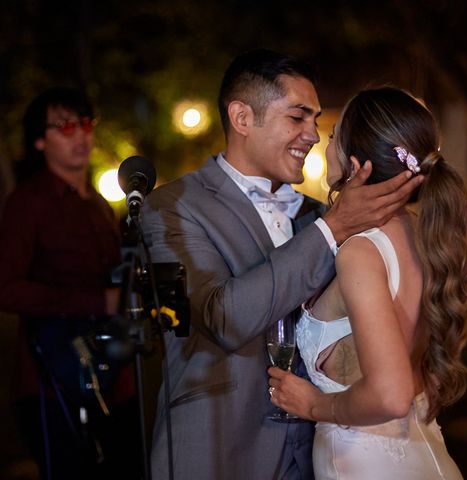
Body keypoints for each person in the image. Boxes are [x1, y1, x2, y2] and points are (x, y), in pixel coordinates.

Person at [141, 49, 422, 479]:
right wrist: (332, 229)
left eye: (315, 119)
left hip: (319, 450)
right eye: (297, 118)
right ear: (242, 118)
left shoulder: (318, 215)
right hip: (221, 449)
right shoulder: (174, 207)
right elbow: (222, 316)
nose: (313, 135)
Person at [267, 86, 467, 479]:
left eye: (332, 137)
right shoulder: (423, 236)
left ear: (355, 163)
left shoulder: (362, 252)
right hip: (426, 454)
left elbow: (391, 394)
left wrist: (315, 406)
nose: (323, 145)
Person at [0, 87, 141, 479]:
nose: (79, 135)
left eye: (84, 124)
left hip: (113, 375)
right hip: (52, 381)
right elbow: (6, 286)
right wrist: (96, 301)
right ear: (40, 140)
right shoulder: (28, 202)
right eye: (64, 126)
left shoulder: (97, 202)